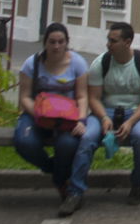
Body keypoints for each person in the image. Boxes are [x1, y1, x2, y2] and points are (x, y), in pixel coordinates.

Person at [60, 22, 140, 215]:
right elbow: (94, 98)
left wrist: (131, 122)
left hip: (136, 113)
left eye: (113, 41)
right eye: (108, 39)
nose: (108, 44)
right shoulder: (101, 63)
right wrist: (104, 117)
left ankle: (138, 185)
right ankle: (75, 192)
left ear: (127, 42)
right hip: (106, 111)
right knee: (87, 138)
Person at [13, 23, 88, 202]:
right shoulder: (32, 64)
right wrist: (41, 115)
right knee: (24, 142)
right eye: (52, 42)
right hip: (37, 114)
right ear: (45, 43)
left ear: (67, 43)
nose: (56, 46)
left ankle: (60, 181)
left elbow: (82, 96)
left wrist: (82, 119)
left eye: (61, 42)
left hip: (67, 117)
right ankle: (54, 169)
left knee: (67, 144)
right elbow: (24, 98)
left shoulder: (78, 63)